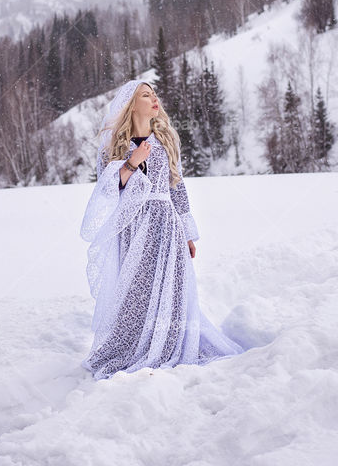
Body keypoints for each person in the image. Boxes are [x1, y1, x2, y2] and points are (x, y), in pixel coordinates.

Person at [79, 78, 245, 380]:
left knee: (174, 285)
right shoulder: (114, 146)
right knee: (135, 291)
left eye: (154, 94)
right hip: (132, 226)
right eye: (146, 95)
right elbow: (107, 192)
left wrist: (188, 230)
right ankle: (133, 346)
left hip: (166, 224)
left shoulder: (164, 140)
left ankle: (170, 342)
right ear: (132, 105)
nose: (154, 99)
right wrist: (130, 163)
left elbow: (176, 187)